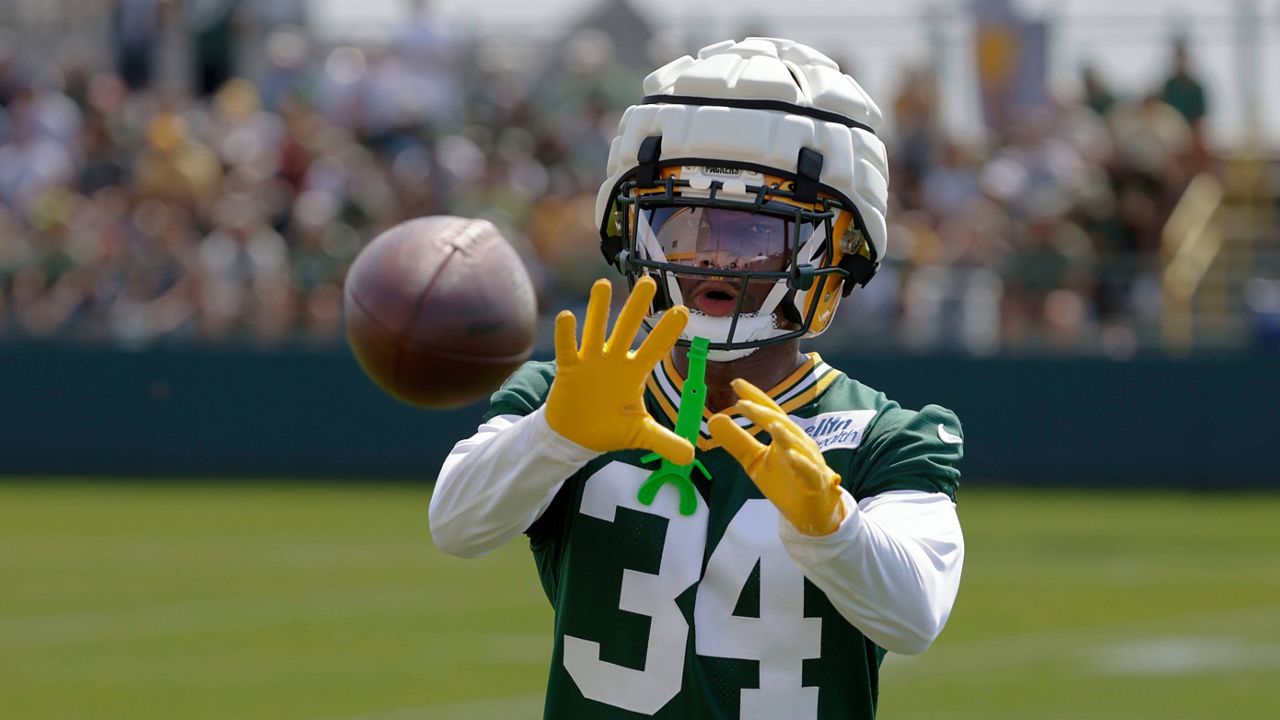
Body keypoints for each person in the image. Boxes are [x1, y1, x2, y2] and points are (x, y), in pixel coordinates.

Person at [429, 37, 965, 719]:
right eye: (684, 226)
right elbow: (455, 524)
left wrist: (834, 528)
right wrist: (554, 437)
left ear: (836, 248)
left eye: (753, 235)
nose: (714, 258)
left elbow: (913, 617)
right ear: (634, 228)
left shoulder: (882, 437)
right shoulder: (573, 394)